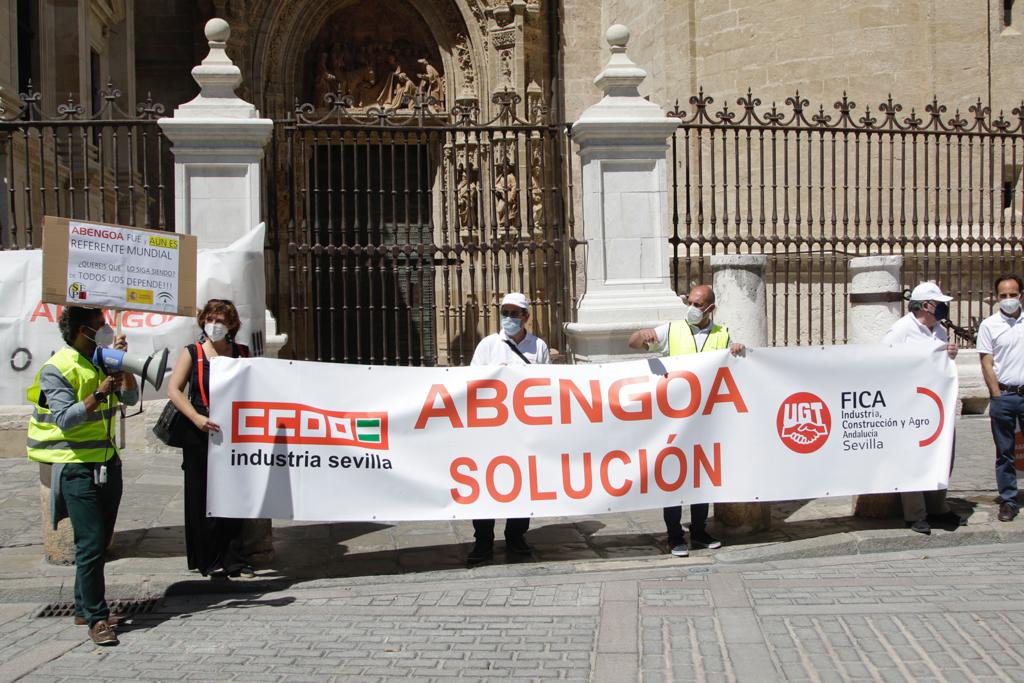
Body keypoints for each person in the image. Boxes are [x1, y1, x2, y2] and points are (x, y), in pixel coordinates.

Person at [26, 306, 138, 646]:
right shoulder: (56, 368)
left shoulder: (103, 360)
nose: (105, 329)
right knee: (89, 544)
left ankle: (81, 606)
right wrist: (100, 393)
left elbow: (130, 399)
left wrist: (125, 369)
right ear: (81, 331)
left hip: (107, 462)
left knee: (98, 540)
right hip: (75, 466)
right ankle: (97, 618)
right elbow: (65, 418)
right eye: (99, 325)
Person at [627, 284, 743, 557]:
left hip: (706, 418)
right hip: (675, 417)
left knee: (701, 477)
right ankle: (674, 535)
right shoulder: (672, 330)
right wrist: (640, 335)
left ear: (711, 308)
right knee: (674, 477)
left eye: (698, 304)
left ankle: (700, 531)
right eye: (689, 302)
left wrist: (737, 348)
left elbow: (733, 365)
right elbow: (632, 343)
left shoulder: (721, 334)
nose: (691, 308)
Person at [166, 299, 254, 578]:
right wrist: (196, 418)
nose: (213, 325)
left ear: (231, 326)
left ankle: (235, 560)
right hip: (199, 430)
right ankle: (208, 558)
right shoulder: (192, 352)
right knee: (201, 494)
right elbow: (175, 390)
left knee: (234, 495)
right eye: (210, 319)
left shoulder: (242, 353)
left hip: (232, 432)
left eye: (220, 321)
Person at [467, 292, 550, 565]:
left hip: (524, 430)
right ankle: (483, 539)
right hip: (492, 431)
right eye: (506, 312)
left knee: (523, 484)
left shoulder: (538, 347)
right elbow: (472, 382)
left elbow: (548, 384)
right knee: (486, 484)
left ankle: (516, 535)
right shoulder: (488, 346)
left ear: (526, 316)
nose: (510, 318)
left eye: (515, 313)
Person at [881, 282, 963, 534]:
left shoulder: (938, 330)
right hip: (911, 404)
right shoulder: (901, 331)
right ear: (926, 305)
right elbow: (884, 361)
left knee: (941, 453)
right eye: (939, 303)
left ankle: (938, 506)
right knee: (912, 459)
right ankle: (915, 514)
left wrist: (949, 352)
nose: (943, 308)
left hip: (936, 403)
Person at [977, 275, 1024, 522]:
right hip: (1004, 395)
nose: (1008, 300)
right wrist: (996, 395)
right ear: (997, 297)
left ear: (1021, 296)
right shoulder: (989, 325)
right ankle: (1008, 500)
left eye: (1013, 295)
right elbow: (986, 361)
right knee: (1004, 452)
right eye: (1003, 296)